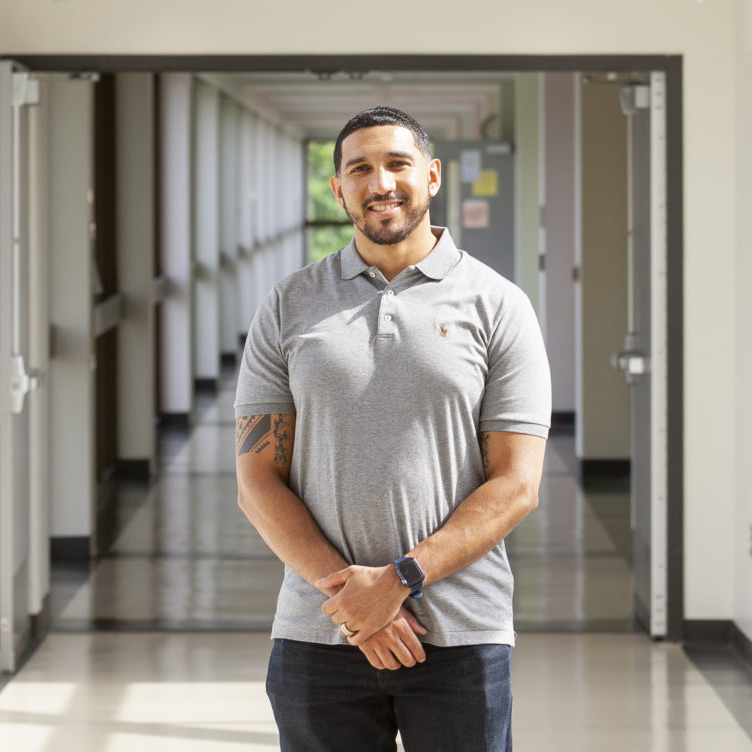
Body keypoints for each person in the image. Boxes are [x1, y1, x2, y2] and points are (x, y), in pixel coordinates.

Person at [234, 105, 551, 752]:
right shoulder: (290, 304)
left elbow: (516, 485)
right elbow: (257, 480)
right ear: (339, 189)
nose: (381, 182)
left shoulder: (498, 306)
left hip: (461, 633)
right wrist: (355, 603)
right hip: (319, 632)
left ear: (432, 177)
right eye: (360, 168)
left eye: (398, 164)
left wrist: (399, 582)